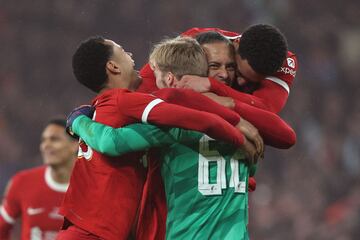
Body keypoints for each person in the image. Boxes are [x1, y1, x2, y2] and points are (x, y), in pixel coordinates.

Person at [66, 37, 296, 239]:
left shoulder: (170, 126)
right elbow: (283, 138)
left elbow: (111, 142)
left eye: (229, 67)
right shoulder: (249, 125)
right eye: (215, 66)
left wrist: (77, 120)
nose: (224, 74)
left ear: (170, 77)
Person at [0, 119, 78, 240]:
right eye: (43, 140)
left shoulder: (92, 189)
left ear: (74, 145)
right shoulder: (22, 182)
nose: (46, 145)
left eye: (54, 139)